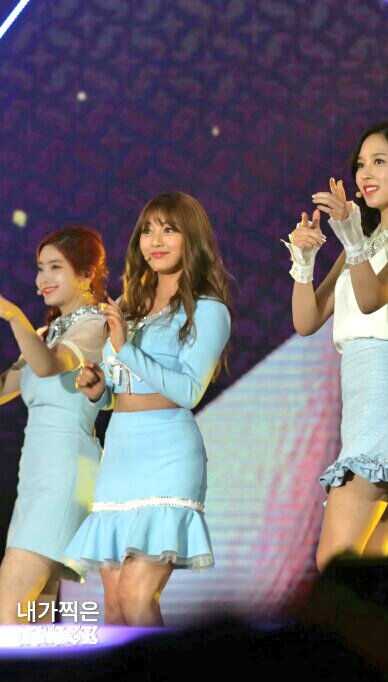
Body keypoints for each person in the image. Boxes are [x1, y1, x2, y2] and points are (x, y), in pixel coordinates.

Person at [284, 122, 388, 571]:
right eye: (360, 164)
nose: (365, 174)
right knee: (365, 569)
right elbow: (306, 320)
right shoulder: (362, 243)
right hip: (361, 391)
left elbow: (373, 298)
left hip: (387, 387)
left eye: (379, 161)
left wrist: (351, 235)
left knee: (334, 560)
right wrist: (304, 261)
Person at [64, 192, 232, 626]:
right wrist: (98, 390)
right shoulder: (130, 307)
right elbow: (123, 389)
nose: (155, 241)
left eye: (169, 230)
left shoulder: (208, 310)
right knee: (115, 607)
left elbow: (189, 390)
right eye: (148, 230)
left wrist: (125, 350)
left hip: (167, 452)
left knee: (137, 598)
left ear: (191, 238)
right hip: (120, 453)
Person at [0, 226, 108, 623]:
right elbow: (5, 386)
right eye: (40, 267)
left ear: (86, 275)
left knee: (7, 611)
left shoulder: (95, 325)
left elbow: (50, 367)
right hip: (34, 478)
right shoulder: (45, 334)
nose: (41, 278)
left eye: (55, 267)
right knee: (34, 620)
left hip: (65, 476)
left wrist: (12, 315)